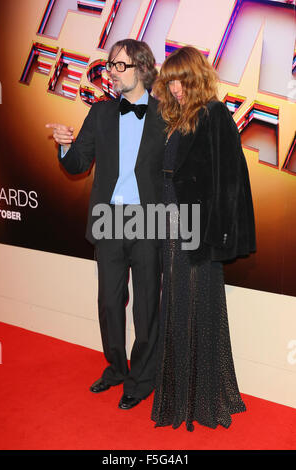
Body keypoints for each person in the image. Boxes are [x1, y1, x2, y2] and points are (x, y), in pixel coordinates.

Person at [46, 39, 166, 410]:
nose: (112, 72)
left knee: (146, 306)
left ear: (143, 68)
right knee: (109, 303)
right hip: (109, 218)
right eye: (110, 65)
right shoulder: (99, 114)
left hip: (149, 220)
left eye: (120, 66)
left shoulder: (168, 115)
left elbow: (181, 173)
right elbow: (79, 163)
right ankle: (115, 368)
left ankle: (142, 378)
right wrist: (65, 146)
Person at [150, 46, 256, 431]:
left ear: (196, 78)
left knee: (195, 307)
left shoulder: (214, 114)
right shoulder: (180, 118)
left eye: (181, 79)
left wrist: (209, 237)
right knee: (177, 306)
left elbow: (229, 183)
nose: (175, 88)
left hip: (195, 230)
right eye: (170, 81)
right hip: (172, 222)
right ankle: (181, 396)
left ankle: (200, 399)